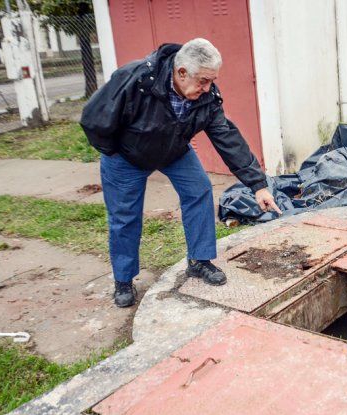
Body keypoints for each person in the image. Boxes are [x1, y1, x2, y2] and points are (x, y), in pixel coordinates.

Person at [80, 38, 280, 308]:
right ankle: (124, 280)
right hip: (126, 155)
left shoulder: (206, 95)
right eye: (203, 81)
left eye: (212, 81)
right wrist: (116, 149)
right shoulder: (137, 79)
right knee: (124, 217)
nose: (208, 88)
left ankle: (199, 261)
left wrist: (258, 185)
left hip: (173, 150)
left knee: (199, 190)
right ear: (181, 72)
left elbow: (227, 138)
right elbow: (94, 117)